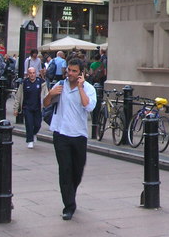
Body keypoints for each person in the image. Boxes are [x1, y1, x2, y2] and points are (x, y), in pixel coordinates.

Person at [43, 58, 97, 221]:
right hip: (61, 133)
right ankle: (69, 206)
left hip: (79, 135)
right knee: (65, 170)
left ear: (81, 73)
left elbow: (89, 107)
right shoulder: (59, 86)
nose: (70, 74)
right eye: (69, 70)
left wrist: (80, 88)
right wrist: (50, 94)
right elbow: (45, 104)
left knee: (77, 170)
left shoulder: (88, 88)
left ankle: (70, 194)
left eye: (74, 71)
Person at [13, 67, 48, 148]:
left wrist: (47, 104)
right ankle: (30, 140)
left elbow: (46, 94)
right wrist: (16, 108)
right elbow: (18, 96)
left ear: (36, 73)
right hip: (27, 107)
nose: (32, 75)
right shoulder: (24, 83)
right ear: (28, 74)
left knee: (37, 124)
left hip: (38, 107)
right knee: (29, 124)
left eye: (33, 73)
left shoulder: (41, 82)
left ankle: (34, 133)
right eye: (30, 73)